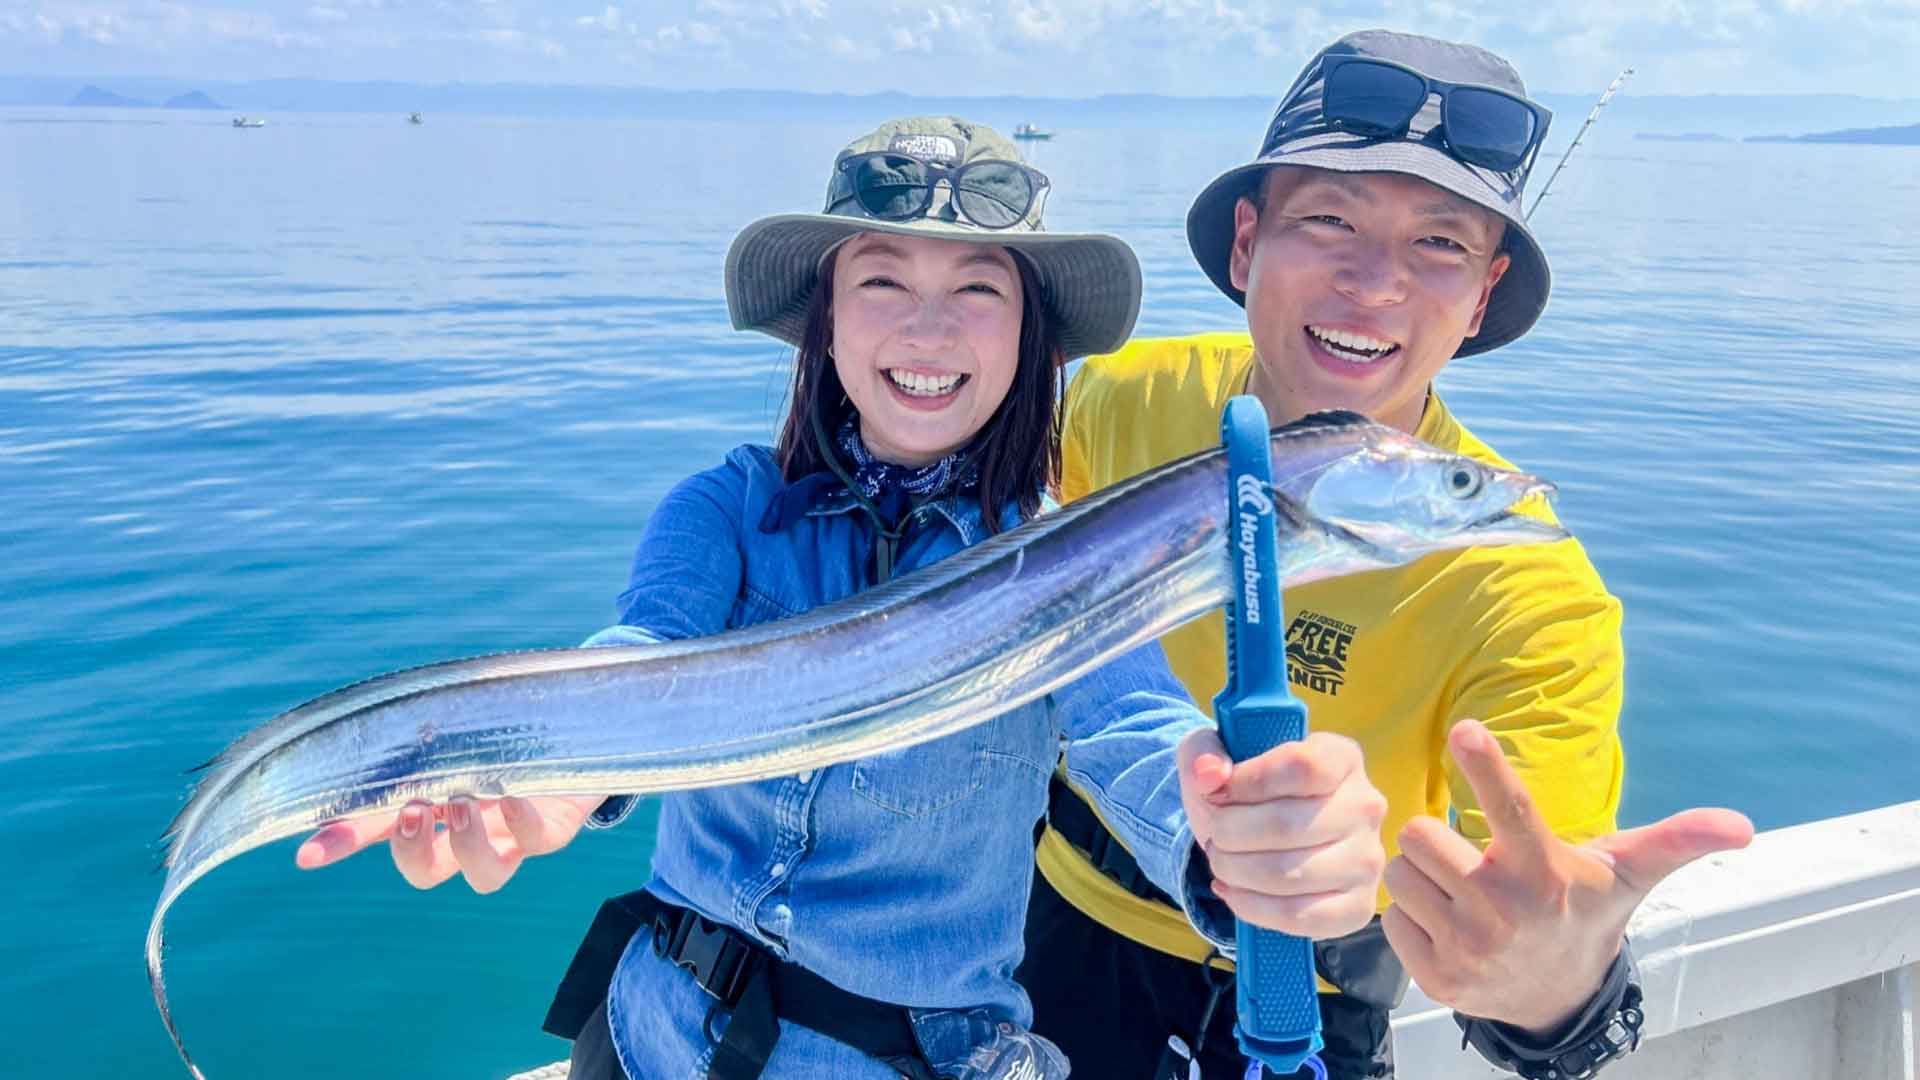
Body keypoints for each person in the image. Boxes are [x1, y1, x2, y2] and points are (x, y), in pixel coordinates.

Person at [292, 116, 1391, 1080]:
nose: (927, 331)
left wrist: (1236, 840)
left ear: (1029, 335)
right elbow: (640, 657)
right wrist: (548, 788)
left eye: (977, 288)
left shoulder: (1060, 561)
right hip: (639, 1040)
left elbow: (1136, 732)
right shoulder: (723, 507)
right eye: (882, 282)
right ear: (826, 317)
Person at [1016, 31, 1755, 1080]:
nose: (1373, 284)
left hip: (1298, 1008)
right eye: (1329, 219)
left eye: (1440, 246)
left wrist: (1554, 995)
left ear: (1485, 294)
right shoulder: (1121, 395)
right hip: (1052, 930)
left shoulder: (1530, 590)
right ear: (1244, 245)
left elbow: (1540, 901)